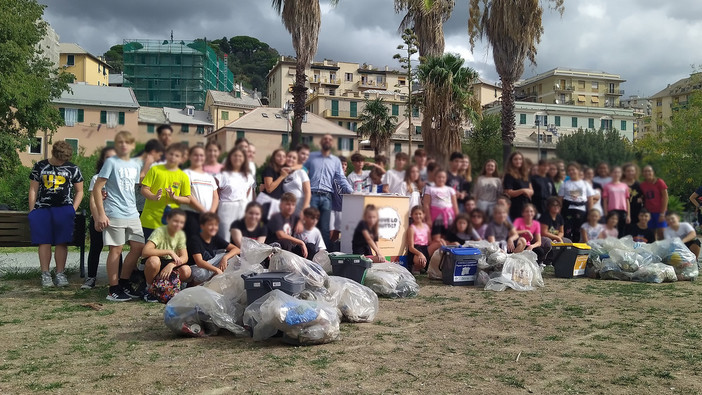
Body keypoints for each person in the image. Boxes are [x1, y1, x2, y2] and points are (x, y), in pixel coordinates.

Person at [92, 131, 146, 301]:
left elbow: (139, 183)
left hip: (132, 212)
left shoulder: (135, 164)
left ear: (132, 145)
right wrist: (100, 214)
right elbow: (97, 187)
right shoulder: (111, 162)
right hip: (114, 212)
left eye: (127, 142)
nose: (123, 145)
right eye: (120, 142)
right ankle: (113, 288)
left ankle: (124, 282)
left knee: (139, 247)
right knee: (116, 249)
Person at [28, 141, 84, 288]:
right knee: (44, 241)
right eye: (59, 159)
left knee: (62, 241)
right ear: (53, 154)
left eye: (64, 160)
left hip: (64, 209)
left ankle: (60, 273)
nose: (61, 162)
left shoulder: (73, 168)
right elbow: (33, 189)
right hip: (42, 209)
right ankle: (45, 274)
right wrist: (32, 210)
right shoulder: (40, 166)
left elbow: (80, 191)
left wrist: (73, 208)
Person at [305, 134, 352, 249]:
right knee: (310, 225)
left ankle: (324, 254)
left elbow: (341, 178)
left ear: (332, 144)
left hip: (327, 196)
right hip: (312, 195)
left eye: (330, 140)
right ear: (321, 142)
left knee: (325, 228)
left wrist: (351, 191)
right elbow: (303, 171)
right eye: (325, 139)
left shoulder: (336, 161)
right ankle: (309, 251)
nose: (327, 141)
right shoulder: (311, 157)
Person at [140, 143, 191, 240]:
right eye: (171, 154)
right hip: (150, 220)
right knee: (150, 252)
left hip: (172, 222)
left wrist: (175, 197)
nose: (173, 157)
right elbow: (144, 189)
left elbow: (188, 199)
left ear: (181, 159)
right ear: (166, 154)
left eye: (177, 156)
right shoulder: (155, 170)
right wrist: (154, 197)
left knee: (167, 253)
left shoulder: (183, 176)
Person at [84, 147, 118, 289]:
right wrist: (97, 218)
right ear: (102, 160)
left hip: (115, 218)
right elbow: (92, 201)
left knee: (116, 250)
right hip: (99, 218)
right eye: (108, 158)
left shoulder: (120, 178)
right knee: (95, 248)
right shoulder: (96, 178)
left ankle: (118, 279)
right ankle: (91, 278)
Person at [140, 209, 191, 302]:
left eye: (181, 222)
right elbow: (145, 251)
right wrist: (169, 252)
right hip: (158, 262)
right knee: (153, 261)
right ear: (168, 220)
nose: (178, 225)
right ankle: (149, 288)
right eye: (175, 221)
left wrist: (171, 265)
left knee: (187, 270)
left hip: (170, 263)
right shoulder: (160, 231)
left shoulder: (180, 235)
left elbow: (185, 257)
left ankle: (173, 287)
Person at [187, 213, 240, 284]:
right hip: (198, 266)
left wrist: (225, 258)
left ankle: (210, 282)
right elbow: (199, 262)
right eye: (210, 225)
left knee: (233, 257)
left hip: (213, 262)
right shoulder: (195, 239)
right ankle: (195, 286)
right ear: (202, 226)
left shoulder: (215, 237)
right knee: (201, 273)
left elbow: (236, 249)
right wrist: (216, 270)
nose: (213, 227)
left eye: (215, 225)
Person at [215, 147, 254, 241]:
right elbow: (216, 193)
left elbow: (247, 192)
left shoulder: (248, 176)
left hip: (242, 208)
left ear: (244, 159)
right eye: (235, 155)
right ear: (230, 158)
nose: (237, 158)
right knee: (225, 237)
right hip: (226, 208)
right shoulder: (222, 175)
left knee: (242, 238)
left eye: (240, 156)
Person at [182, 146, 219, 239]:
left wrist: (211, 213)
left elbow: (215, 196)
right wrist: (203, 211)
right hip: (191, 215)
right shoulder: (185, 174)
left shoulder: (209, 177)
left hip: (208, 216)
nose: (199, 158)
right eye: (195, 155)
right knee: (192, 243)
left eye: (201, 155)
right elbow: (188, 195)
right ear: (190, 156)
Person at [559, 162, 594, 243]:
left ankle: (577, 250)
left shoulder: (585, 184)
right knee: (567, 231)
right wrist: (559, 214)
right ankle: (567, 249)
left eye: (573, 170)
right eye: (569, 170)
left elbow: (590, 199)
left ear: (578, 170)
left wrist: (591, 213)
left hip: (581, 211)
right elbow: (560, 199)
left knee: (579, 231)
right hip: (568, 210)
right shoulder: (565, 184)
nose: (571, 172)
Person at [266, 193, 306, 257]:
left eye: (293, 205)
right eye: (288, 204)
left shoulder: (294, 218)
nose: (290, 207)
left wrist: (300, 221)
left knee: (309, 246)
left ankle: (307, 265)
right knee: (286, 242)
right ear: (281, 205)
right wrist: (301, 242)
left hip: (289, 248)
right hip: (275, 248)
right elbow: (280, 235)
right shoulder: (276, 217)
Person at [132, 139, 164, 214]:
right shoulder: (134, 163)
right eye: (159, 155)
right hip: (136, 206)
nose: (159, 158)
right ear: (153, 152)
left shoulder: (156, 165)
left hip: (149, 206)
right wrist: (147, 165)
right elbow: (139, 182)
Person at [503, 151, 533, 221]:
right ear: (511, 161)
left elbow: (531, 190)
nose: (518, 161)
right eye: (515, 159)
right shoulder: (509, 175)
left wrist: (527, 191)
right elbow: (508, 192)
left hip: (526, 205)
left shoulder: (525, 174)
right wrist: (523, 191)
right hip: (515, 206)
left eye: (520, 159)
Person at [640, 165, 668, 240]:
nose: (647, 173)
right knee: (651, 233)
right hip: (649, 212)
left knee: (661, 233)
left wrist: (662, 213)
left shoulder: (659, 182)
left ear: (653, 172)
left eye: (649, 171)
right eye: (645, 171)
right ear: (643, 173)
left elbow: (665, 197)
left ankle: (663, 250)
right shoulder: (642, 185)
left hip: (659, 211)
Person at [602, 166, 630, 236]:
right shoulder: (607, 186)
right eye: (614, 172)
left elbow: (627, 200)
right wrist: (605, 212)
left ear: (621, 174)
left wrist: (628, 215)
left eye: (618, 172)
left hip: (622, 210)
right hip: (612, 211)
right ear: (611, 174)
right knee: (611, 230)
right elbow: (605, 200)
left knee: (622, 230)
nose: (616, 174)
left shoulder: (625, 186)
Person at [282, 150, 310, 217]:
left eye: (294, 158)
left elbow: (308, 192)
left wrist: (304, 210)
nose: (291, 159)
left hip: (301, 206)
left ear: (297, 161)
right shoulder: (283, 174)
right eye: (289, 156)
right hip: (288, 208)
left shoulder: (301, 172)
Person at [406, 206, 431, 273]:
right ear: (412, 215)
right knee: (422, 263)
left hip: (425, 247)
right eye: (416, 214)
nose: (418, 216)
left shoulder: (426, 227)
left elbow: (430, 242)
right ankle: (416, 267)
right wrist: (420, 254)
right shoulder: (411, 228)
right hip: (416, 249)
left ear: (423, 215)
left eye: (420, 214)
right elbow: (411, 247)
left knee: (439, 245)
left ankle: (433, 266)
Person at [330, 155, 348, 247]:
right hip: (332, 207)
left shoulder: (347, 179)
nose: (343, 166)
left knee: (338, 231)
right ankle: (329, 248)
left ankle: (335, 248)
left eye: (345, 164)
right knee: (331, 231)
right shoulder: (332, 177)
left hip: (343, 208)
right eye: (341, 164)